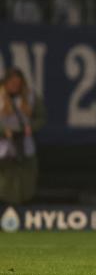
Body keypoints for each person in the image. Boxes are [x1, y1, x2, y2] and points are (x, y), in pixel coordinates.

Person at [0, 68, 46, 204]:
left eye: (18, 83)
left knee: (26, 179)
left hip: (24, 144)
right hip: (3, 147)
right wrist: (3, 131)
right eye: (12, 83)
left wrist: (30, 128)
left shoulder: (30, 97)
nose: (15, 86)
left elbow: (41, 117)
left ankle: (24, 210)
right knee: (5, 182)